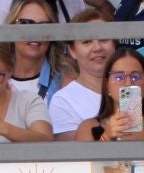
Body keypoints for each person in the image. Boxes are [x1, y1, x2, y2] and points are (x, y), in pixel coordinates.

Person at [49, 9, 121, 138]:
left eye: (104, 39)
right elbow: (72, 154)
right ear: (72, 51)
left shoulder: (135, 88)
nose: (97, 48)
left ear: (114, 45)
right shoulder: (63, 100)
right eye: (87, 42)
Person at [5, 0, 63, 103]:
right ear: (11, 26)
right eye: (26, 23)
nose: (35, 33)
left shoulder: (63, 81)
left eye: (43, 25)